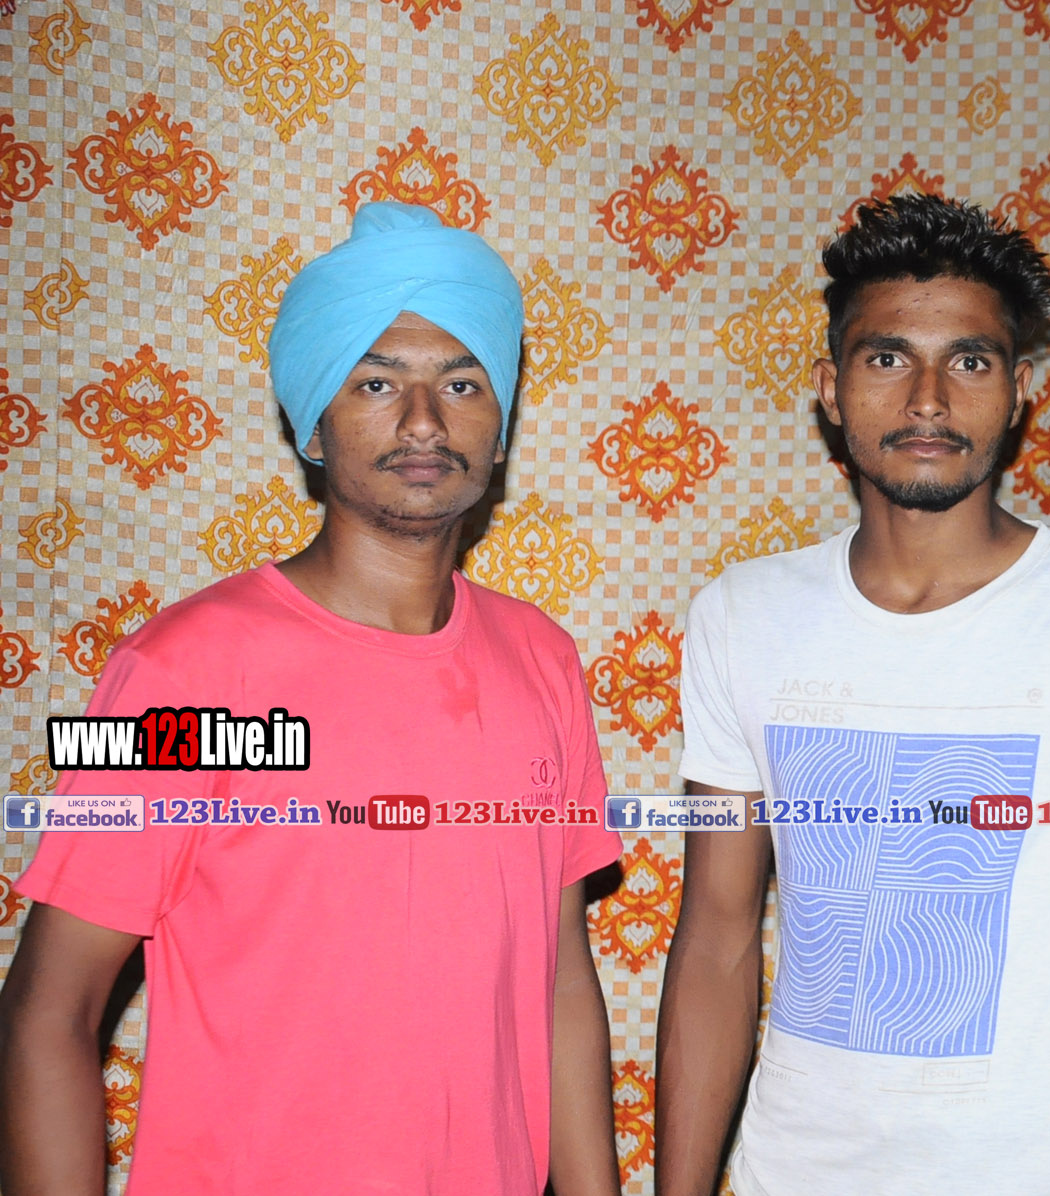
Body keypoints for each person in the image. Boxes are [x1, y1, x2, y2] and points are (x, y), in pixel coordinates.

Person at [0, 203, 624, 1196]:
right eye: (376, 381)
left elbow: (558, 978)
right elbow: (50, 1008)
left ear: (500, 425)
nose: (423, 420)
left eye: (461, 382)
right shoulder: (178, 676)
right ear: (313, 424)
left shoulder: (543, 660)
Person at [655, 194, 1050, 1196]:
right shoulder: (742, 614)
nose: (928, 399)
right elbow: (716, 936)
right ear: (831, 388)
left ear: (1019, 392)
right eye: (888, 358)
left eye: (970, 361)